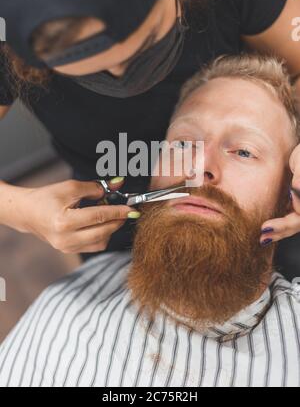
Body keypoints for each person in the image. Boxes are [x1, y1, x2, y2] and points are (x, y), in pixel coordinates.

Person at [1, 54, 299, 388]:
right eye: (184, 143)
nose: (198, 167)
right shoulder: (71, 301)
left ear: (290, 195)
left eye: (244, 151)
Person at [1, 0, 300, 270]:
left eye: (146, 43)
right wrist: (21, 209)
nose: (122, 75)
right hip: (109, 191)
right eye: (94, 71)